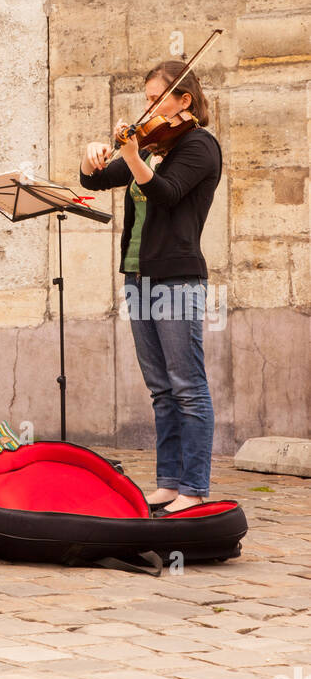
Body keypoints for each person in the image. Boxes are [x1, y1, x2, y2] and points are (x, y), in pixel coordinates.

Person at [79, 61, 222, 513]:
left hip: (177, 277)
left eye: (156, 99)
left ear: (184, 100)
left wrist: (135, 153)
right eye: (145, 101)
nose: (148, 109)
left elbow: (167, 192)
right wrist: (93, 152)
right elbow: (94, 181)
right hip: (138, 275)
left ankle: (194, 487)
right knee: (161, 388)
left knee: (187, 386)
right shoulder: (155, 145)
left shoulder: (200, 146)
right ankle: (169, 481)